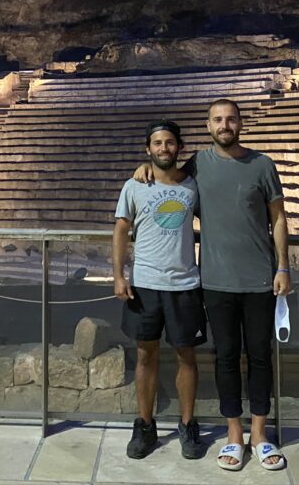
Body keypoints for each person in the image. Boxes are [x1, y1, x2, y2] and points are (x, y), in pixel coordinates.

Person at [135, 98, 290, 471]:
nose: (225, 125)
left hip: (259, 279)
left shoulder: (262, 165)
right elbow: (167, 172)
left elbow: (279, 218)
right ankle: (234, 434)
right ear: (208, 126)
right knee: (224, 357)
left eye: (231, 119)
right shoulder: (199, 165)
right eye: (218, 120)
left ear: (240, 123)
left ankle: (260, 435)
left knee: (259, 357)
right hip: (215, 281)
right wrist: (144, 167)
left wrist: (284, 267)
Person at [113, 119, 206, 461]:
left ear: (179, 147)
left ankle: (187, 425)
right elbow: (121, 231)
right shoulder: (134, 186)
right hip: (145, 284)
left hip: (184, 284)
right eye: (157, 143)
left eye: (170, 142)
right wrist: (119, 275)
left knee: (187, 356)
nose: (164, 148)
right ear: (148, 149)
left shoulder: (193, 186)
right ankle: (146, 424)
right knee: (145, 355)